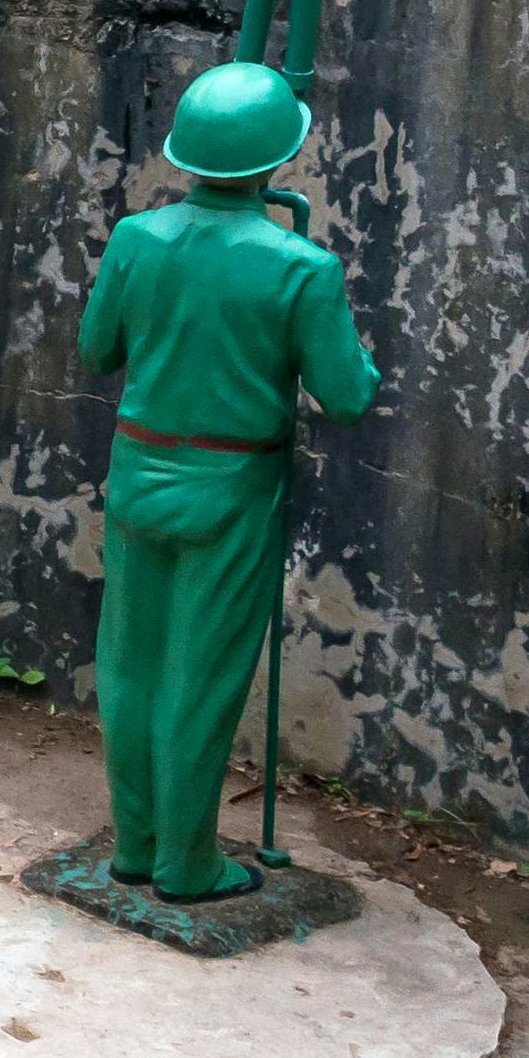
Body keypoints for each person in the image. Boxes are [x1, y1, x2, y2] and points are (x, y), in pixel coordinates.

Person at [71, 61, 380, 900]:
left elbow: (98, 351)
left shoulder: (138, 239)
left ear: (186, 152)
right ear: (279, 160)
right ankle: (186, 860)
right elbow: (347, 396)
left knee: (129, 664)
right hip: (234, 483)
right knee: (201, 674)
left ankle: (136, 846)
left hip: (140, 469)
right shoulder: (299, 266)